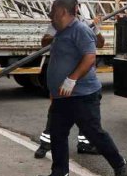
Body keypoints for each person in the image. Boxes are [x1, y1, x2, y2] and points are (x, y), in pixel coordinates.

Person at [37, 0, 127, 176]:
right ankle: (60, 173)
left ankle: (119, 164)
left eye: (53, 10)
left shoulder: (80, 29)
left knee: (94, 133)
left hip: (82, 95)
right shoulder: (60, 30)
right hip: (62, 96)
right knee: (57, 133)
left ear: (62, 12)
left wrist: (72, 79)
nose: (50, 14)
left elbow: (89, 57)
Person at [34, 10, 103, 159]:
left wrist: (96, 29)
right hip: (63, 76)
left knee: (87, 115)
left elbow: (101, 44)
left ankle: (85, 144)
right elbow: (44, 42)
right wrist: (60, 33)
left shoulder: (86, 24)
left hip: (83, 78)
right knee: (57, 112)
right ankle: (46, 144)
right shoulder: (57, 24)